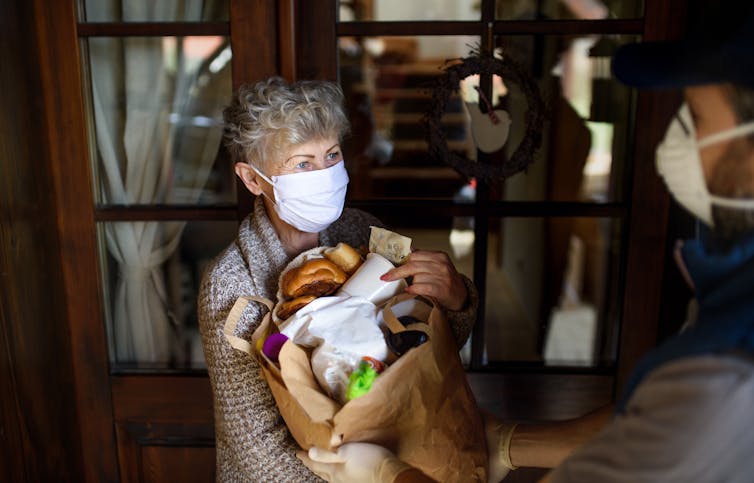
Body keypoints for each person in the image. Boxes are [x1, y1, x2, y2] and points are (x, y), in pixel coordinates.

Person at [297, 2, 754, 482]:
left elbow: (676, 424)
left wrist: (389, 475)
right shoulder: (729, 294)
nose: (678, 136)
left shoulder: (728, 375)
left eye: (697, 116)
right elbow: (653, 422)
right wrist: (510, 445)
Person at [198, 76, 479, 482]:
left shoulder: (363, 233)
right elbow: (257, 447)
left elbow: (421, 355)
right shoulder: (230, 286)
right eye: (302, 164)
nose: (325, 173)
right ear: (253, 179)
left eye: (331, 154)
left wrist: (455, 304)